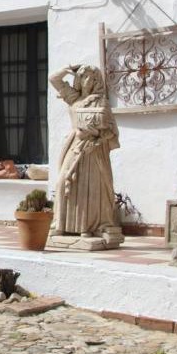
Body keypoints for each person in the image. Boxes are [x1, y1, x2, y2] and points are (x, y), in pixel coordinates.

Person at [48, 64, 120, 237]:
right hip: (75, 145)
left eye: (91, 77)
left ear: (96, 81)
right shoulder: (74, 98)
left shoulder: (101, 102)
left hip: (93, 149)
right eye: (84, 76)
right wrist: (68, 68)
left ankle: (86, 227)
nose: (87, 80)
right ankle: (61, 224)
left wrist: (97, 139)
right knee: (64, 181)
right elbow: (53, 79)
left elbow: (111, 130)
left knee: (90, 187)